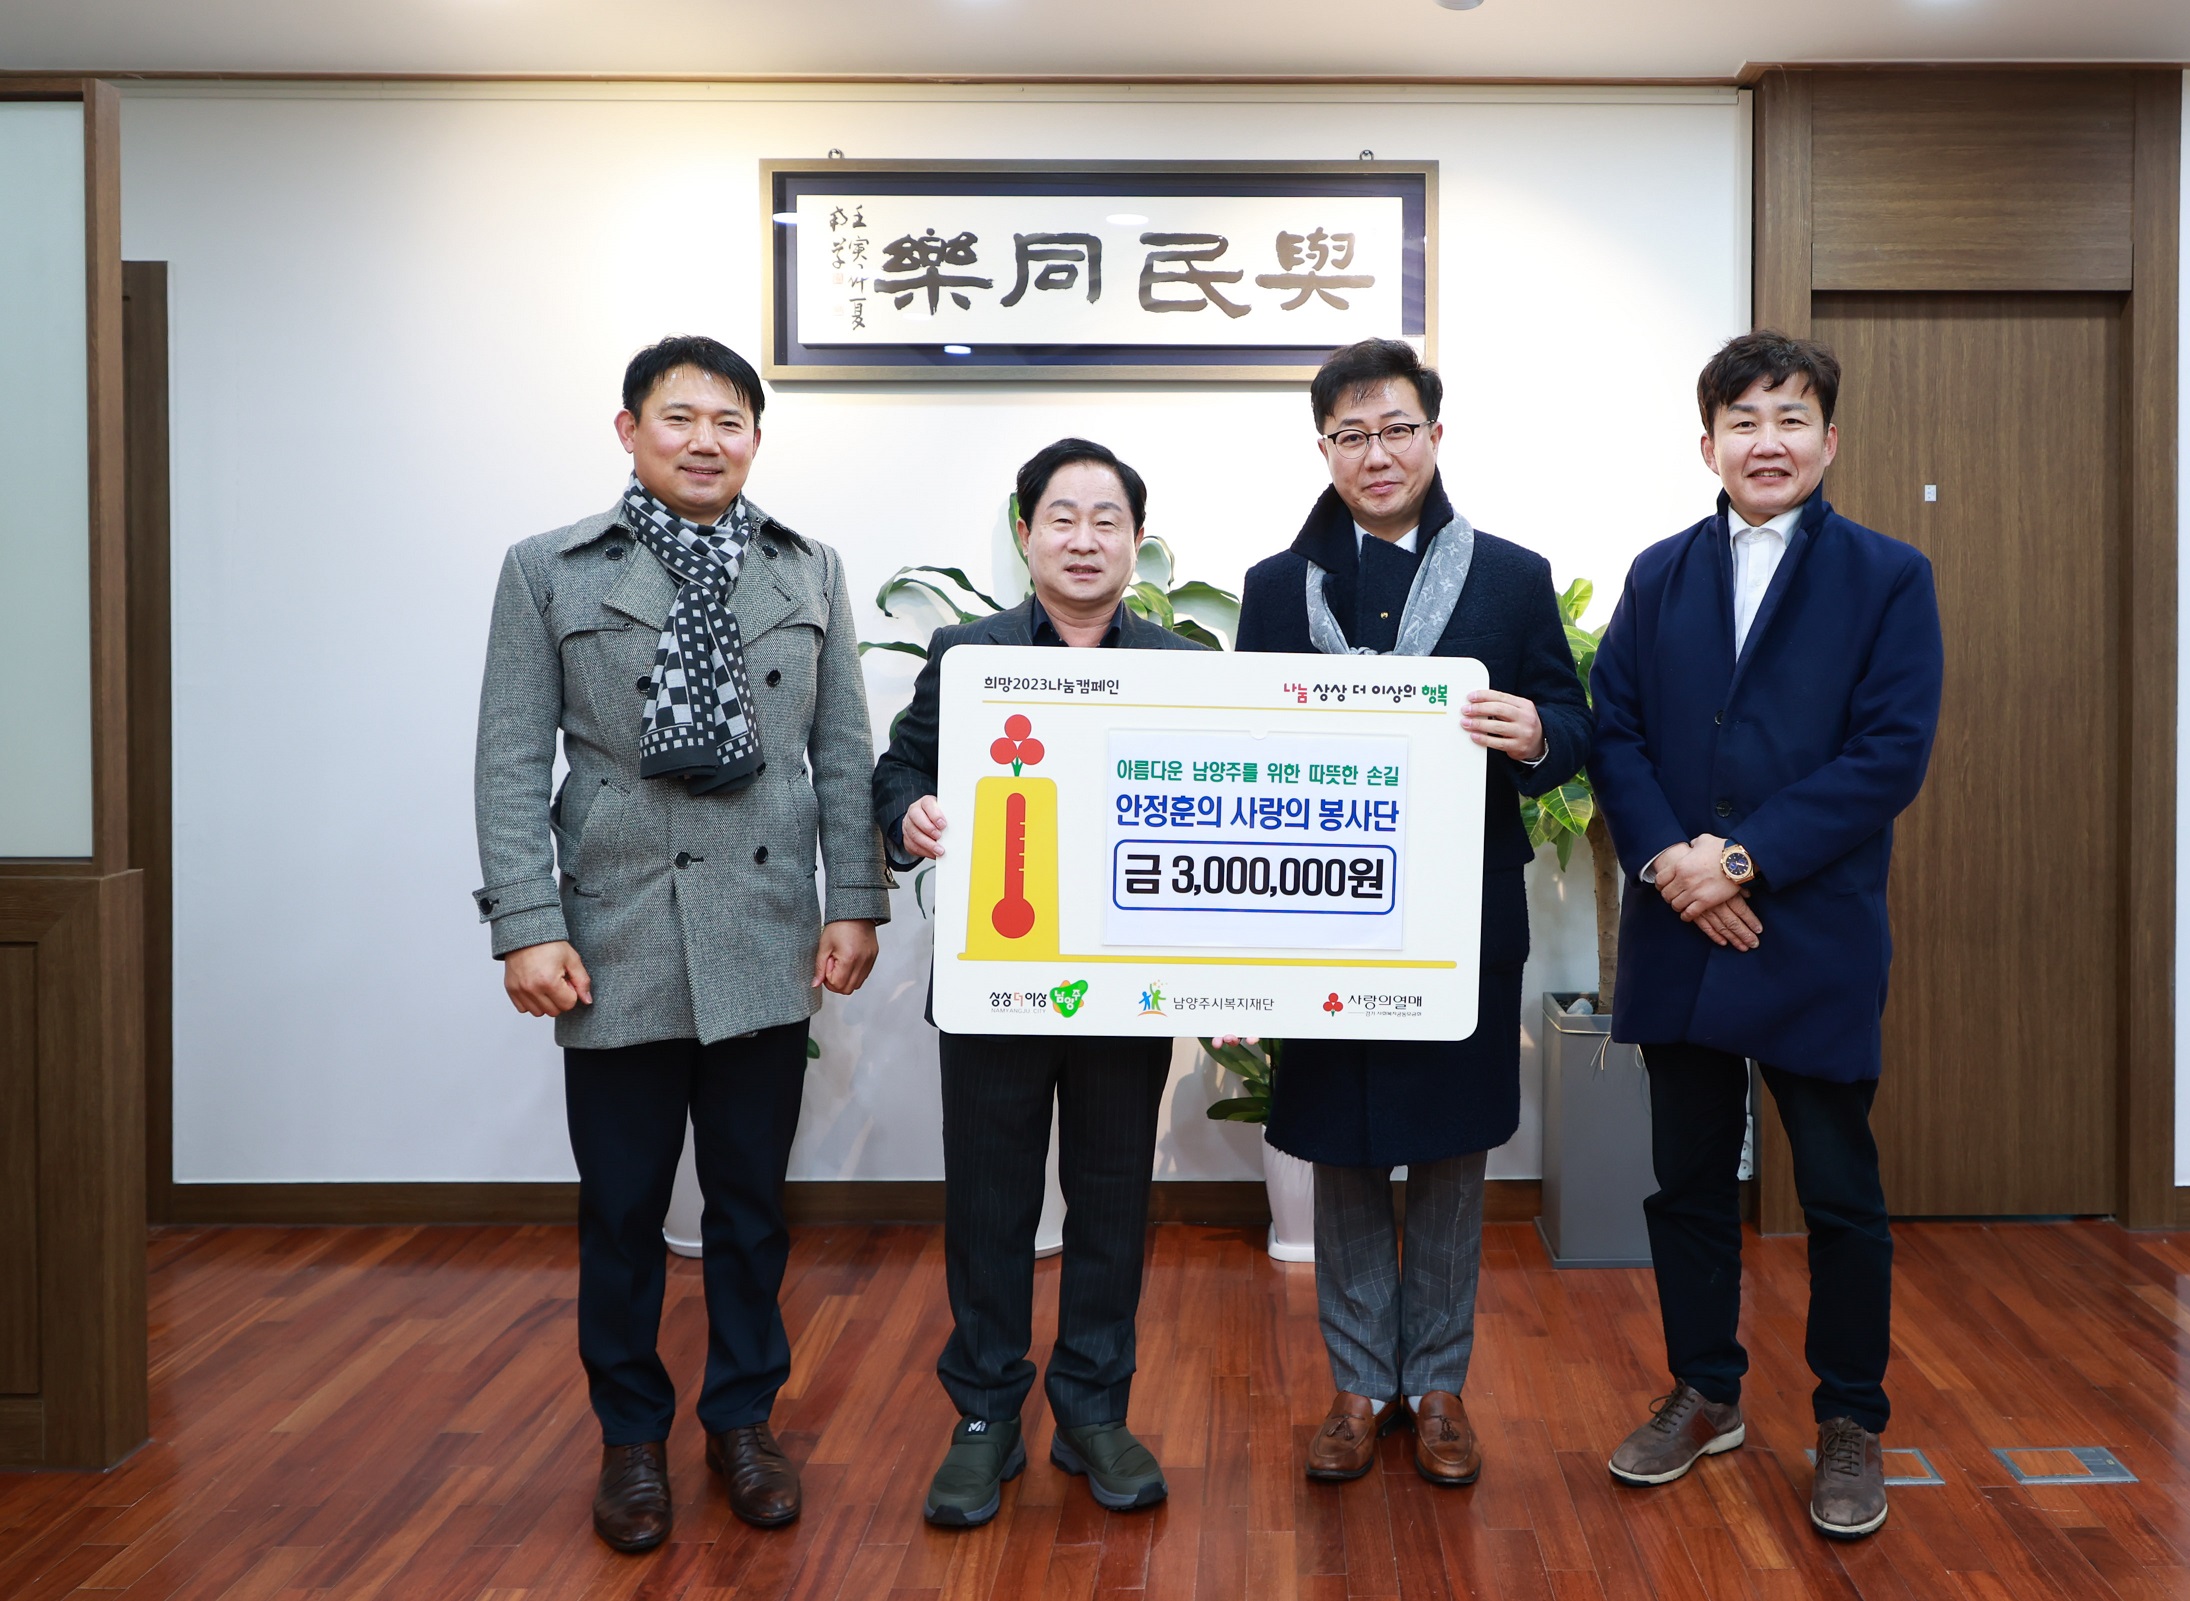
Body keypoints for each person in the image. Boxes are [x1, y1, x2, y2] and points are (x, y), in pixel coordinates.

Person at [472, 335, 890, 1553]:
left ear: (755, 438)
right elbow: (510, 759)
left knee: (753, 1204)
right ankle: (631, 1439)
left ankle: (744, 1420)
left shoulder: (808, 566)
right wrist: (527, 924)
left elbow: (843, 751)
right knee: (622, 1208)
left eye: (730, 421)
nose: (706, 440)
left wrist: (854, 899)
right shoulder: (547, 568)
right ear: (629, 430)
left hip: (764, 927)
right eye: (679, 417)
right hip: (615, 931)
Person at [1586, 331, 1943, 1540]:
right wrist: (1673, 865)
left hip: (1810, 928)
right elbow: (1615, 730)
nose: (1767, 440)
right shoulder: (1657, 574)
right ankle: (1705, 1389)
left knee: (1838, 1190)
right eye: (1743, 420)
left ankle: (1849, 1417)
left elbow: (1888, 754)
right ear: (1708, 445)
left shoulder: (1888, 576)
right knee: (1686, 1180)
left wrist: (1737, 860)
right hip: (1681, 928)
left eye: (1790, 417)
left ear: (1827, 440)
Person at [1233, 339, 1592, 1487]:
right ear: (1324, 449)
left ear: (1435, 434)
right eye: (1351, 434)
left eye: (1395, 428)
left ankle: (1437, 1385)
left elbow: (1570, 721)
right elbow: (1240, 750)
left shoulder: (1511, 576)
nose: (1376, 452)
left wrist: (1535, 733)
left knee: (1448, 1148)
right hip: (1322, 918)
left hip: (1460, 915)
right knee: (1341, 1148)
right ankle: (1357, 1384)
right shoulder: (1275, 587)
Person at [873, 438, 1202, 1528]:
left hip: (1124, 982)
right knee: (990, 1203)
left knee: (1111, 1200)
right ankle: (984, 1416)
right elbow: (898, 768)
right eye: (1062, 516)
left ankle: (1094, 1410)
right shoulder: (969, 656)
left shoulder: (1179, 667)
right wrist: (909, 812)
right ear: (1025, 534)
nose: (1084, 538)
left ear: (1137, 542)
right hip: (999, 978)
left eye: (1108, 519)